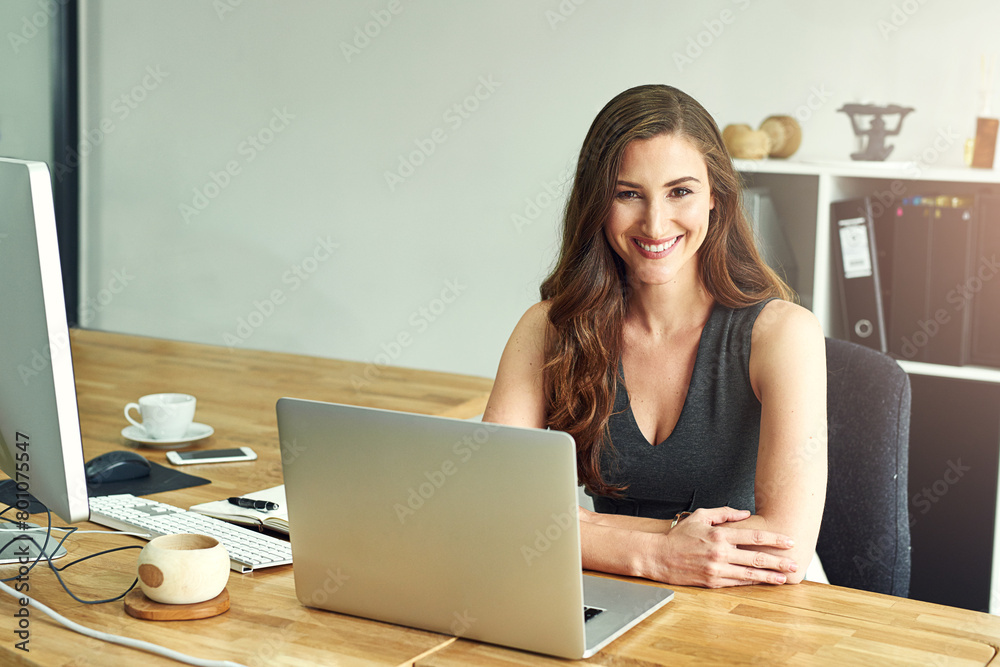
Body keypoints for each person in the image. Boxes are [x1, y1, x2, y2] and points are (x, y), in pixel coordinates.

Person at [483, 84, 827, 588]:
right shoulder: (548, 329)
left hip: (752, 599)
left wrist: (577, 527)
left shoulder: (783, 335)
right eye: (628, 194)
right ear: (597, 203)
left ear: (716, 197)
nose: (655, 221)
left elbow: (784, 549)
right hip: (611, 590)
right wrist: (659, 552)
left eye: (680, 191)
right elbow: (488, 505)